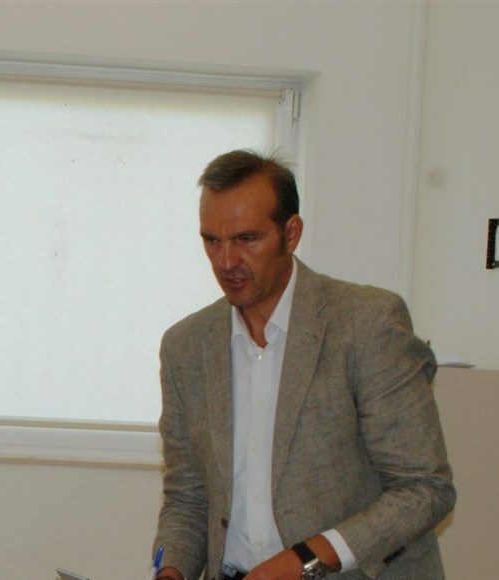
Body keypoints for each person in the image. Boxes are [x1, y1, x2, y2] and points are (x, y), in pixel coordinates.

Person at [152, 150, 455, 580]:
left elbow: (424, 489)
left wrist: (306, 559)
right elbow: (187, 498)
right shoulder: (185, 347)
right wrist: (171, 572)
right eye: (212, 241)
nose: (226, 262)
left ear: (291, 234)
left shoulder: (366, 323)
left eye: (246, 239)